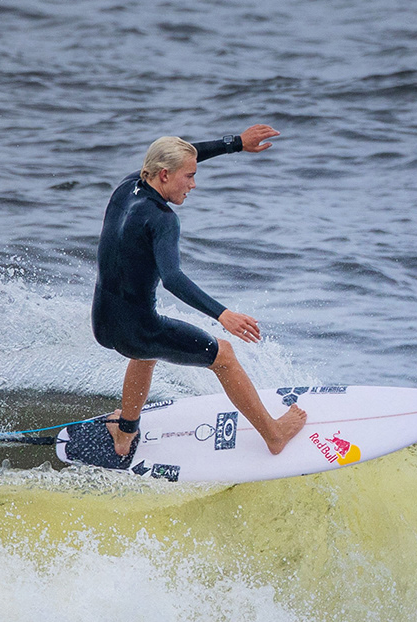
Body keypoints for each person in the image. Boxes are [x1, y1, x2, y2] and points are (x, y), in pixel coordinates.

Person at [92, 124, 306, 457]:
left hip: (104, 323)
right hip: (137, 331)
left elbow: (185, 154)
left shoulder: (127, 187)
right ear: (165, 175)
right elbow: (172, 278)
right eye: (189, 176)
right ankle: (274, 435)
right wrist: (223, 314)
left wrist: (236, 143)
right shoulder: (163, 219)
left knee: (146, 352)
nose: (193, 184)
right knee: (224, 356)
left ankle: (126, 432)